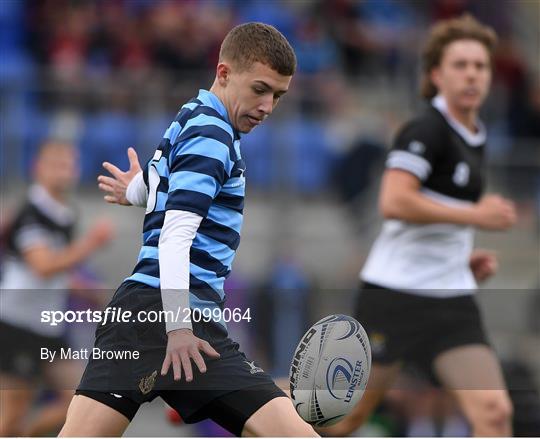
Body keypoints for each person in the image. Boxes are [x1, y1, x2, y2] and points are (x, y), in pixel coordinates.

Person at [59, 22, 317, 437]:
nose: (268, 106)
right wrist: (178, 327)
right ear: (224, 73)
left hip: (148, 313)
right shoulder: (214, 135)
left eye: (278, 96)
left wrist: (138, 190)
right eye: (260, 89)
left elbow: (167, 181)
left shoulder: (193, 115)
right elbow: (176, 234)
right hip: (175, 316)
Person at [320, 14, 516, 437]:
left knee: (494, 414)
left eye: (480, 65)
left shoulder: (475, 135)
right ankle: (236, 400)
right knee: (344, 418)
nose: (471, 75)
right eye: (460, 65)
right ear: (435, 74)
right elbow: (394, 201)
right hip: (395, 297)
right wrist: (477, 216)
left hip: (451, 299)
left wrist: (462, 259)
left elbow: (438, 212)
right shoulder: (425, 130)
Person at [0, 140, 114, 436]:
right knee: (10, 415)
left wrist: (88, 292)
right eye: (56, 165)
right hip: (16, 327)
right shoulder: (31, 213)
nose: (64, 172)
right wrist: (92, 242)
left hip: (47, 329)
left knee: (79, 398)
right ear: (37, 168)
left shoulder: (64, 214)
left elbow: (57, 271)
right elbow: (43, 266)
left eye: (69, 165)